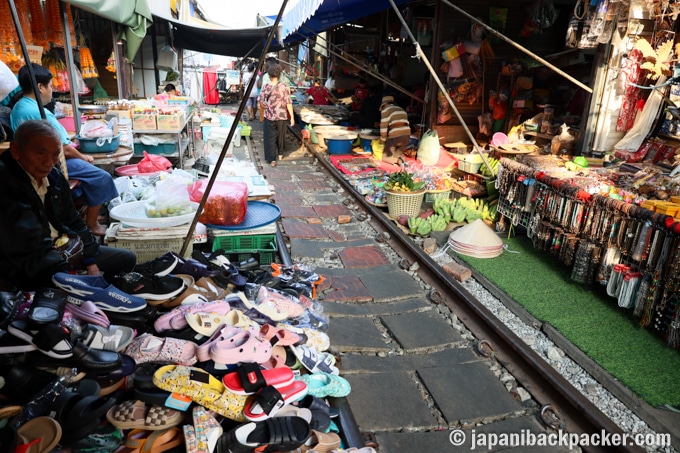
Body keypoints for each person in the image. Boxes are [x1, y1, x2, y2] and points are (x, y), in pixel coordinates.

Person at [0, 120, 136, 290]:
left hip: (65, 251)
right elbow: (30, 247)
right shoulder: (6, 184)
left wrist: (89, 260)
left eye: (55, 154)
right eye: (40, 153)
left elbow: (73, 220)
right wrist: (68, 276)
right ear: (16, 150)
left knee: (127, 259)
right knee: (84, 293)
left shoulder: (54, 178)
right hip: (30, 266)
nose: (49, 162)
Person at [10, 63, 119, 236]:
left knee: (92, 172)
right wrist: (83, 157)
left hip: (45, 158)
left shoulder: (21, 106)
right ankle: (92, 225)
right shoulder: (35, 110)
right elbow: (63, 149)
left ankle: (89, 215)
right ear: (40, 87)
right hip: (56, 162)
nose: (52, 90)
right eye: (51, 86)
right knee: (102, 177)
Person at [258, 61, 294, 167]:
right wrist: (292, 117)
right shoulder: (283, 87)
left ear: (269, 75)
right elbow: (288, 102)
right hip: (282, 116)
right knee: (281, 135)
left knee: (270, 137)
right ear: (279, 75)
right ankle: (281, 154)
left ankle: (272, 159)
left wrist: (264, 105)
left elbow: (261, 101)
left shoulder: (266, 87)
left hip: (269, 116)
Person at [379, 95, 410, 164]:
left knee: (385, 157)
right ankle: (403, 162)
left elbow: (383, 127)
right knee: (396, 153)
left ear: (386, 104)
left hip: (396, 136)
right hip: (407, 136)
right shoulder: (401, 109)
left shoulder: (386, 110)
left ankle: (397, 161)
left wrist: (383, 140)